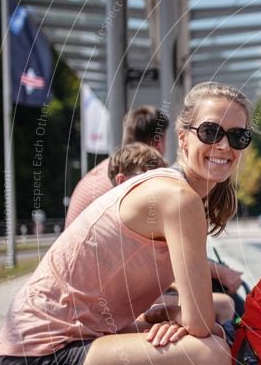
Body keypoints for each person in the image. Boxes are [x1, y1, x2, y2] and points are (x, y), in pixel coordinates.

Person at [0, 82, 255, 365]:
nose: (224, 145)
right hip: (38, 357)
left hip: (68, 341)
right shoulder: (177, 199)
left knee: (209, 335)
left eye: (238, 136)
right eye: (211, 131)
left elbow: (190, 313)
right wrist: (189, 321)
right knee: (209, 356)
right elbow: (199, 322)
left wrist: (177, 317)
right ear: (183, 139)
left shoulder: (176, 191)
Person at [68, 106, 243, 294]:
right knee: (222, 301)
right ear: (160, 142)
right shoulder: (143, 177)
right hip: (98, 291)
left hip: (83, 279)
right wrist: (219, 271)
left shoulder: (104, 171)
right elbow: (174, 256)